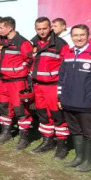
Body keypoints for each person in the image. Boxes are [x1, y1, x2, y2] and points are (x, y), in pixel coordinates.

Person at [59, 24, 91, 172]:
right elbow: (61, 78)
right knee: (75, 130)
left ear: (88, 36)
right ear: (71, 37)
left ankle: (89, 161)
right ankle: (79, 158)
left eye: (82, 35)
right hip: (68, 101)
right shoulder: (68, 53)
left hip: (86, 102)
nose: (78, 38)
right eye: (75, 35)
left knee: (88, 131)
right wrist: (60, 98)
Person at [29, 17, 70, 156]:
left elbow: (67, 67)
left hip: (53, 86)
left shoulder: (60, 44)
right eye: (39, 29)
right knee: (42, 114)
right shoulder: (33, 43)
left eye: (44, 28)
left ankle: (62, 144)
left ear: (50, 28)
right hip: (38, 86)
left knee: (57, 115)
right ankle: (47, 141)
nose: (42, 31)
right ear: (35, 29)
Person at [0, 17, 33, 145]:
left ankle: (24, 137)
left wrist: (18, 71)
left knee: (21, 110)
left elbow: (30, 60)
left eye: (1, 28)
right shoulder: (0, 41)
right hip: (3, 81)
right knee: (4, 108)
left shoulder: (22, 42)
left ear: (9, 28)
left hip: (18, 82)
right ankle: (6, 133)